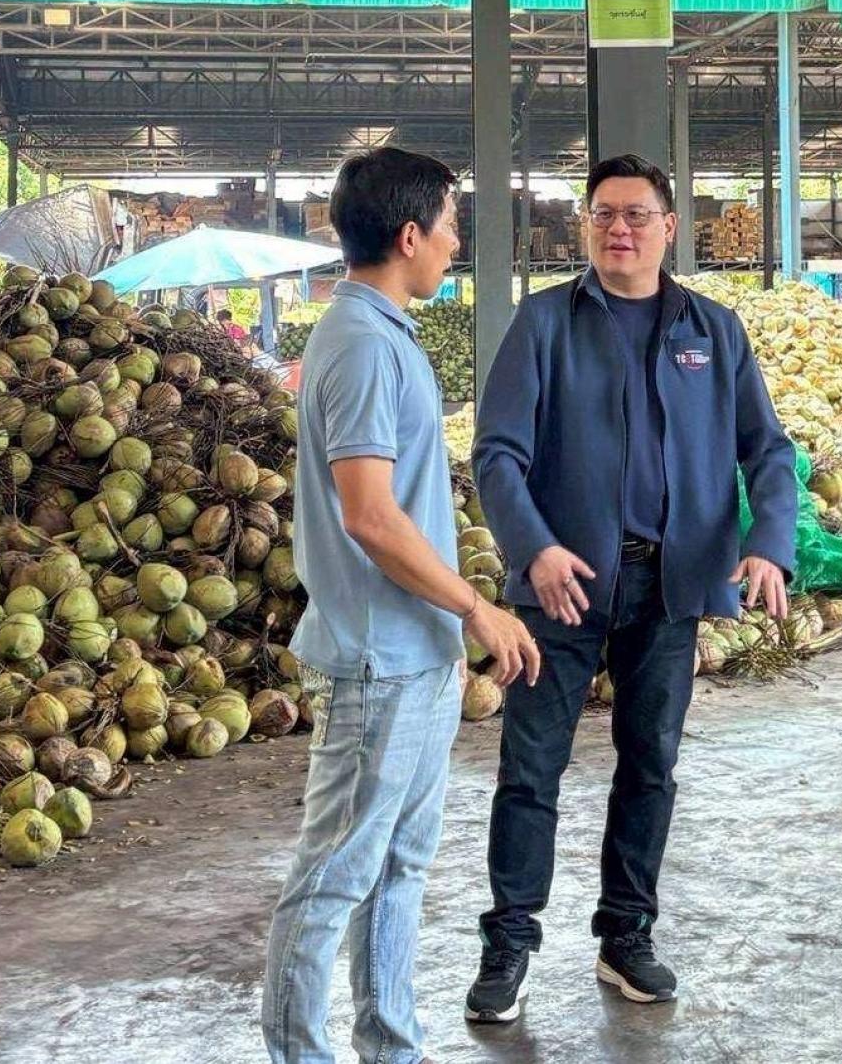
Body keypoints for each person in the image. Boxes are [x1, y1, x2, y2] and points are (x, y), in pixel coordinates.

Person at [464, 153, 797, 1020]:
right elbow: (497, 454)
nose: (620, 228)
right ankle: (508, 944)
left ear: (669, 227)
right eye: (604, 214)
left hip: (671, 585)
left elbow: (768, 450)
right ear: (586, 225)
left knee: (650, 765)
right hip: (562, 588)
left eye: (637, 214)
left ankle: (626, 935)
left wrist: (767, 543)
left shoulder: (712, 330)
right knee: (531, 768)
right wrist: (534, 549)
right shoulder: (544, 322)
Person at [261, 146, 540, 1064]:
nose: (457, 242)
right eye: (451, 225)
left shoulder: (383, 332)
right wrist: (475, 609)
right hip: (377, 658)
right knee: (334, 875)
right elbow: (371, 516)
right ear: (410, 235)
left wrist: (448, 632)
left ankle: (392, 1047)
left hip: (414, 656)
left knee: (398, 867)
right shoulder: (362, 343)